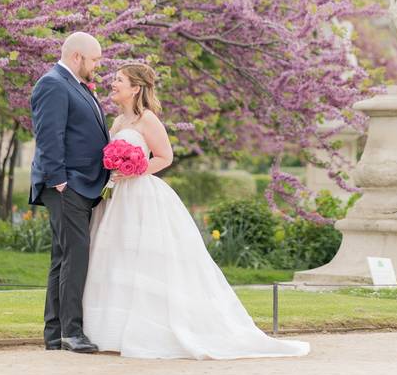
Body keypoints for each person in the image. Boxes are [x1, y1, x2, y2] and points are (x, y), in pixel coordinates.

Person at [83, 63, 309, 359]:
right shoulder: (117, 122)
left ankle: (148, 329)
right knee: (114, 257)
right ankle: (109, 332)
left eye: (119, 80)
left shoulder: (147, 119)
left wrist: (135, 169)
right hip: (116, 198)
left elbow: (165, 156)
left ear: (135, 88)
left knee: (143, 259)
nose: (112, 83)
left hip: (140, 194)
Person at [29, 32, 110, 353]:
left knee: (63, 257)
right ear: (77, 57)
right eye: (95, 60)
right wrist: (59, 180)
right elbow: (49, 134)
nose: (97, 66)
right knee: (75, 255)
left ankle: (55, 333)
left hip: (79, 183)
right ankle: (71, 333)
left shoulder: (75, 85)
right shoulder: (52, 84)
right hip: (66, 184)